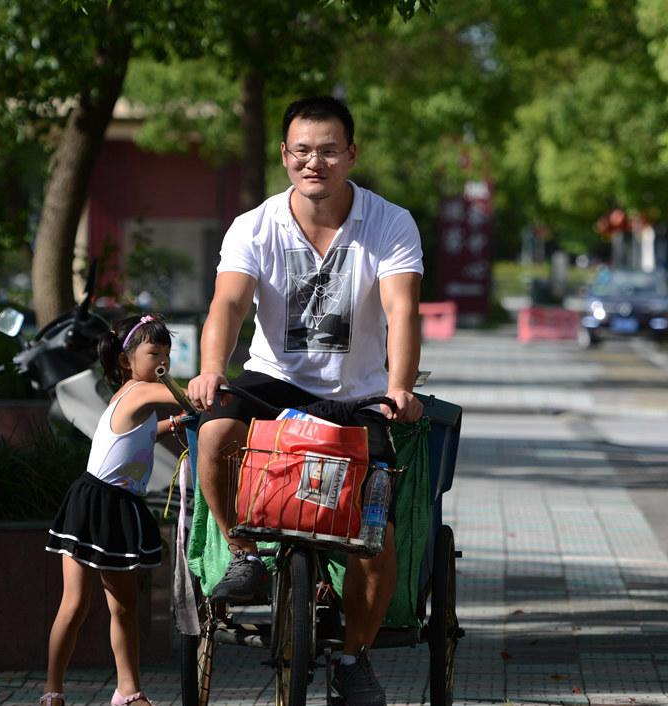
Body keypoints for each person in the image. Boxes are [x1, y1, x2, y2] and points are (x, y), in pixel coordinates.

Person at [185, 95, 423, 706]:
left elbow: (401, 309)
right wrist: (212, 370)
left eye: (327, 150)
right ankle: (242, 551)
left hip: (359, 393)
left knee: (375, 537)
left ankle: (353, 658)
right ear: (284, 155)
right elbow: (229, 306)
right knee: (213, 434)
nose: (313, 162)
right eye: (301, 151)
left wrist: (400, 387)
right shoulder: (254, 226)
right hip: (274, 384)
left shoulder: (390, 223)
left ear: (350, 153)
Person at [41, 314, 186, 706]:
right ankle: (126, 691)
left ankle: (56, 691)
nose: (164, 363)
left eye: (168, 355)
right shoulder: (142, 391)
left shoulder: (130, 396)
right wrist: (212, 387)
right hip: (106, 504)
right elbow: (189, 396)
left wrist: (170, 425)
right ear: (126, 361)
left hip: (90, 498)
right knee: (113, 607)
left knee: (84, 605)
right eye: (155, 353)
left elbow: (135, 435)